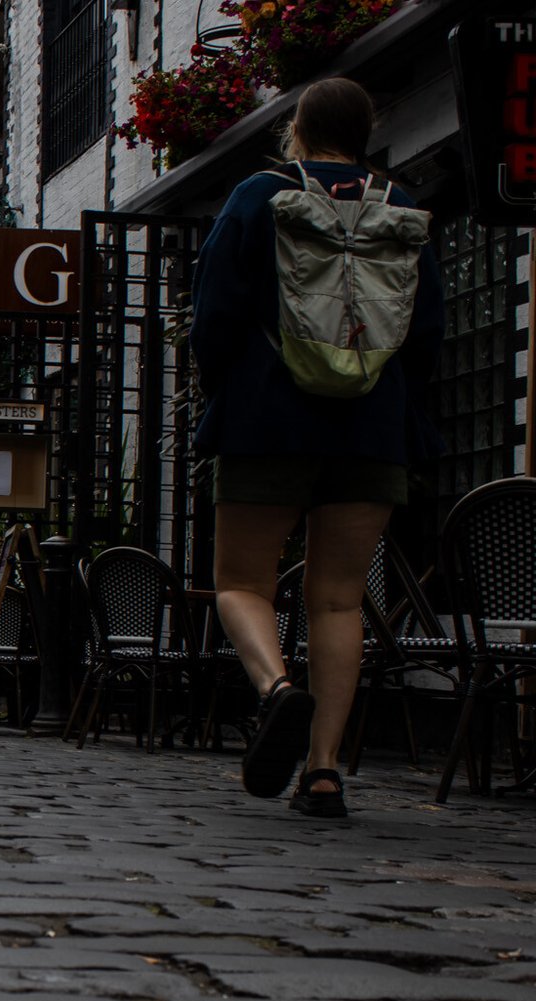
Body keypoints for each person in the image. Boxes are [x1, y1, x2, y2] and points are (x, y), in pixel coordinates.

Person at [190, 76, 444, 818]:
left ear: (296, 129)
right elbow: (424, 332)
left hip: (267, 417)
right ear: (368, 131)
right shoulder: (400, 210)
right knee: (338, 597)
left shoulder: (257, 197)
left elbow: (215, 314)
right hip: (371, 426)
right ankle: (326, 770)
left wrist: (223, 389)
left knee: (241, 581)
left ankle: (275, 690)